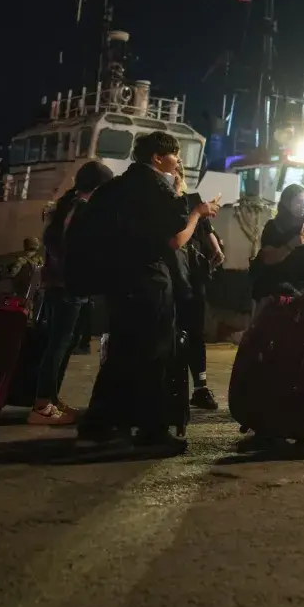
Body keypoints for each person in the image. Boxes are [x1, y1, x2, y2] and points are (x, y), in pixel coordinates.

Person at [77, 131, 219, 450]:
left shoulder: (116, 186)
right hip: (149, 280)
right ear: (157, 157)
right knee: (155, 355)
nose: (178, 160)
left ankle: (99, 423)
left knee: (121, 352)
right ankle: (152, 431)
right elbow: (175, 240)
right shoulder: (155, 187)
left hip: (118, 281)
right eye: (175, 154)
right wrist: (197, 213)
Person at [30, 161, 113, 426]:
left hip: (64, 284)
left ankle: (51, 399)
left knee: (64, 343)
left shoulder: (68, 205)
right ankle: (42, 405)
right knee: (58, 344)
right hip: (67, 285)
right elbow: (73, 249)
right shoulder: (81, 208)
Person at [176, 174, 225, 411]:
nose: (176, 176)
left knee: (196, 331)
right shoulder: (163, 201)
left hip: (193, 274)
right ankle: (172, 389)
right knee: (172, 333)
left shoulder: (192, 200)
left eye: (179, 172)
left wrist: (216, 250)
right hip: (171, 273)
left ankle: (200, 387)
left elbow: (207, 230)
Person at [251, 184, 304, 302]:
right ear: (286, 203)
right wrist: (290, 245)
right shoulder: (274, 226)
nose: (303, 206)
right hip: (277, 288)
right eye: (298, 202)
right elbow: (268, 258)